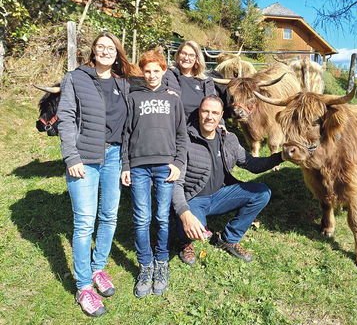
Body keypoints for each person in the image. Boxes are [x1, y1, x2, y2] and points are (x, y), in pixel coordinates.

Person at [57, 32, 131, 317]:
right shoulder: (76, 78)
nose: (105, 51)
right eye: (101, 47)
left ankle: (99, 267)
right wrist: (71, 156)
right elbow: (65, 117)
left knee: (110, 215)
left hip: (114, 157)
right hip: (84, 158)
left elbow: (127, 129)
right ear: (93, 51)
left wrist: (125, 163)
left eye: (111, 48)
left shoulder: (122, 83)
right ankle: (84, 286)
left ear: (117, 53)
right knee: (85, 222)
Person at [172, 95, 282, 265]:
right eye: (205, 111)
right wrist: (185, 214)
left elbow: (251, 164)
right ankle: (185, 242)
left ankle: (229, 238)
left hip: (221, 195)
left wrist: (280, 157)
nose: (210, 116)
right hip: (194, 199)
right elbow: (176, 183)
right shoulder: (185, 140)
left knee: (262, 193)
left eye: (215, 113)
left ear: (221, 115)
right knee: (194, 228)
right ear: (199, 113)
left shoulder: (228, 139)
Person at [121, 49, 187, 297]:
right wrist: (126, 165)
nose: (151, 75)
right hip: (138, 166)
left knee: (161, 216)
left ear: (164, 71)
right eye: (147, 71)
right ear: (142, 72)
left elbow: (181, 135)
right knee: (141, 218)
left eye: (156, 71)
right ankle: (145, 265)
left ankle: (161, 262)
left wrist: (178, 162)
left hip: (165, 166)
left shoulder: (173, 100)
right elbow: (127, 134)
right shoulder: (134, 98)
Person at [162, 40, 216, 120]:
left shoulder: (206, 81)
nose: (186, 58)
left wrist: (221, 124)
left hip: (198, 128)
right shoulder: (167, 75)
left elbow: (214, 106)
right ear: (178, 55)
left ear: (197, 58)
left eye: (191, 55)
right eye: (183, 53)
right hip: (175, 127)